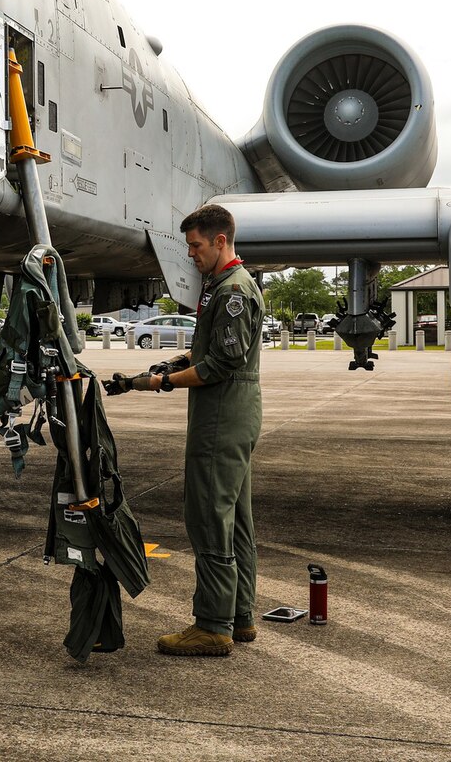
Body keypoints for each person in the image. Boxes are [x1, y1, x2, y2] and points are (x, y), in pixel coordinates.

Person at [105, 203, 263, 656]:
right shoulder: (222, 285)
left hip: (221, 417)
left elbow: (220, 364)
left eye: (195, 245)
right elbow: (205, 352)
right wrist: (162, 367)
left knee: (210, 517)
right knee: (236, 521)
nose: (190, 254)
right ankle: (240, 616)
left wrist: (163, 382)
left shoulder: (233, 290)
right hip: (232, 413)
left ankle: (213, 626)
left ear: (220, 241)